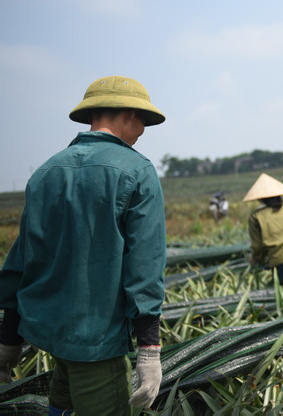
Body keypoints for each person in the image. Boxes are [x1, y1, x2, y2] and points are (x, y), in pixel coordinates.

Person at [0, 76, 167, 415]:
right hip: (96, 340)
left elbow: (22, 257)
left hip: (51, 331)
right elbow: (144, 264)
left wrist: (7, 339)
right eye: (143, 122)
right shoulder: (137, 170)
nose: (143, 132)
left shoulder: (46, 171)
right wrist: (149, 349)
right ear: (130, 115)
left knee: (62, 402)